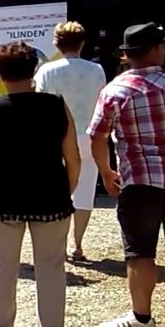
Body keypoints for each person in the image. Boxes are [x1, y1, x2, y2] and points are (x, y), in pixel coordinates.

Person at [89, 23, 165, 327]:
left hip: (139, 178)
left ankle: (142, 319)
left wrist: (106, 171)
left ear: (127, 56)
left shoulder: (115, 90)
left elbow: (98, 137)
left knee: (140, 250)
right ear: (156, 50)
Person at [0, 42, 77, 327]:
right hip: (51, 194)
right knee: (52, 268)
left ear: (0, 74)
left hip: (3, 195)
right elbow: (73, 156)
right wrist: (67, 189)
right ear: (34, 70)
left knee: (2, 267)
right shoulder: (57, 105)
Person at [35, 21, 108, 261]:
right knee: (85, 189)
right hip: (89, 134)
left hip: (56, 136)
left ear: (56, 43)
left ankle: (59, 242)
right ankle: (77, 244)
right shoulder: (96, 70)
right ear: (83, 43)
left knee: (57, 190)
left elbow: (41, 105)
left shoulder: (46, 70)